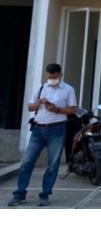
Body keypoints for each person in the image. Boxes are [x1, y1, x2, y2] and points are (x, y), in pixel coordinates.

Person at [8, 63, 77, 207]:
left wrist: (56, 109)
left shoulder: (68, 89)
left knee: (53, 164)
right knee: (26, 162)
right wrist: (38, 103)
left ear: (60, 74)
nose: (52, 79)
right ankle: (19, 194)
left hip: (57, 130)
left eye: (54, 77)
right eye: (49, 77)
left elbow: (73, 110)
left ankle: (45, 195)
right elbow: (30, 107)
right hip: (38, 130)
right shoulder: (40, 88)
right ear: (46, 74)